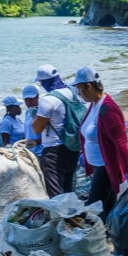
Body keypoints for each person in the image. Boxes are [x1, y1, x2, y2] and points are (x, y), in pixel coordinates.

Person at [73, 67, 128, 219]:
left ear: (89, 86)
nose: (79, 94)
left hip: (105, 168)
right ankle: (115, 237)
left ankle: (101, 238)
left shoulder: (108, 109)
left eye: (80, 89)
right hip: (97, 166)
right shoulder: (94, 104)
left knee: (93, 210)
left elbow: (121, 143)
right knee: (107, 209)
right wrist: (84, 155)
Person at [30, 65, 83, 196]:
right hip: (73, 147)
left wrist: (35, 116)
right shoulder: (72, 93)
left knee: (56, 195)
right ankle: (72, 215)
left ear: (44, 81)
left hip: (54, 152)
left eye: (41, 82)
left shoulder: (48, 100)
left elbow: (37, 129)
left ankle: (62, 216)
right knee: (68, 190)